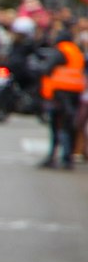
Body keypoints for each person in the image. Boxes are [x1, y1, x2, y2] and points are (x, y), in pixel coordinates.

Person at [39, 27, 86, 169]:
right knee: (69, 125)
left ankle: (54, 156)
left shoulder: (61, 50)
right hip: (75, 92)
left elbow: (46, 68)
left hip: (60, 92)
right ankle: (68, 157)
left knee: (57, 125)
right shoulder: (76, 51)